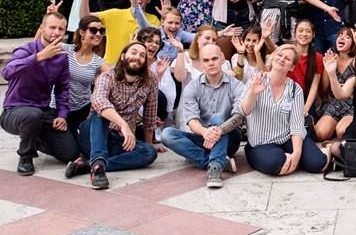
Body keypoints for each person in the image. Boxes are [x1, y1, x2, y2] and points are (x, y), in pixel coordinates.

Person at [0, 12, 79, 175]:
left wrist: (62, 115)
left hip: (43, 112)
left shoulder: (61, 58)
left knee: (70, 153)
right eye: (52, 27)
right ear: (42, 28)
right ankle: (26, 156)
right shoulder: (25, 50)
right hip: (13, 111)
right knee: (32, 115)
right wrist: (38, 57)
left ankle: (34, 138)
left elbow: (62, 90)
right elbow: (7, 73)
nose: (56, 32)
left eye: (61, 29)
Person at [75, 42, 160, 189]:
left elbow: (150, 115)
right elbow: (99, 101)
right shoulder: (107, 76)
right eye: (134, 52)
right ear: (123, 56)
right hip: (93, 135)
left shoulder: (150, 80)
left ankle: (93, 165)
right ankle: (98, 168)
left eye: (142, 55)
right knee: (100, 114)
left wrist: (148, 144)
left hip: (120, 141)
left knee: (149, 152)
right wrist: (123, 124)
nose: (137, 57)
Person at [235, 45, 329, 176]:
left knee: (318, 163)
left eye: (287, 59)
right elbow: (243, 111)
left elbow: (297, 124)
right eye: (279, 55)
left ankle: (325, 150)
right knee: (276, 163)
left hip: (287, 138)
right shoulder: (257, 80)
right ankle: (281, 158)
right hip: (261, 143)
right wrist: (253, 93)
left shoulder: (295, 89)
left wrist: (297, 153)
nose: (282, 59)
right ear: (272, 58)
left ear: (292, 67)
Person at [160, 44, 244, 188]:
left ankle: (215, 167)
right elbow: (192, 120)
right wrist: (206, 133)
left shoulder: (236, 85)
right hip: (203, 138)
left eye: (214, 59)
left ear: (222, 59)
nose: (211, 63)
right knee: (167, 134)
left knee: (217, 117)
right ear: (201, 64)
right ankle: (215, 162)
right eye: (206, 60)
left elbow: (238, 117)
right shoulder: (192, 87)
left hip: (229, 138)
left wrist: (218, 130)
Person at [63, 15, 108, 138]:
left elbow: (114, 76)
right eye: (93, 30)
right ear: (82, 32)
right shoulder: (66, 50)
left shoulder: (98, 62)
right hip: (58, 108)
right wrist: (44, 24)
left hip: (82, 109)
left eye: (101, 31)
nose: (98, 34)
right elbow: (37, 47)